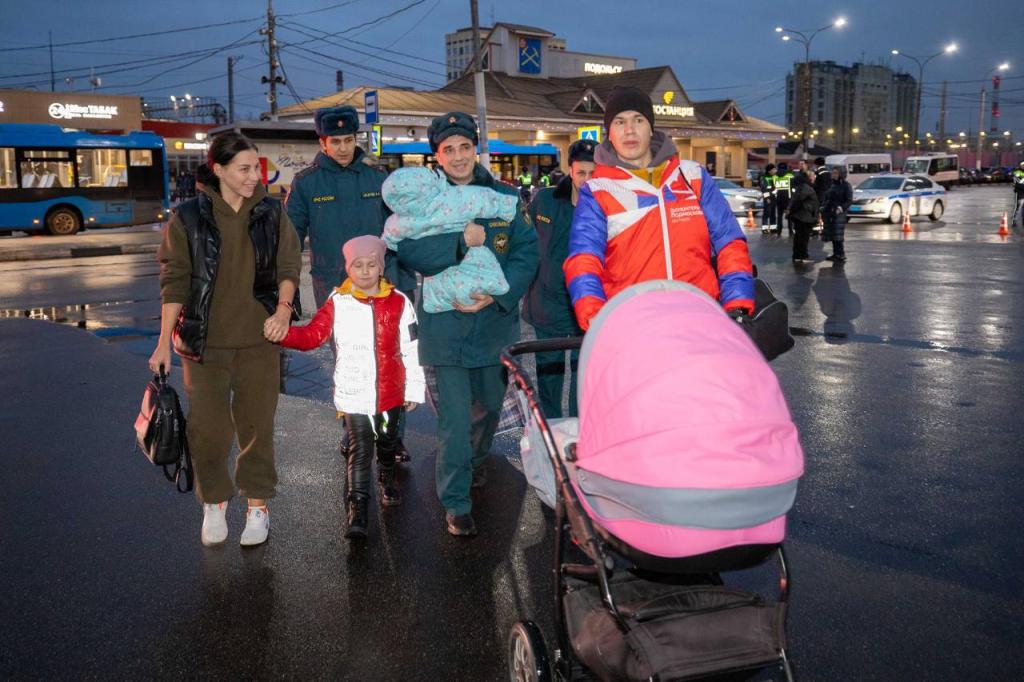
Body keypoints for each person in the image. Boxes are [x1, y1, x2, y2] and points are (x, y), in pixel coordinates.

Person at [150, 132, 302, 547]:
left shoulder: (272, 212)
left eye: (258, 167)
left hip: (259, 343)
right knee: (208, 432)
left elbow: (289, 265)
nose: (256, 176)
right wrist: (164, 341)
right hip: (204, 346)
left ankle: (257, 507)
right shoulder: (188, 218)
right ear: (218, 170)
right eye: (245, 169)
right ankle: (214, 502)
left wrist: (283, 310)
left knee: (257, 428)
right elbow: (175, 281)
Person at [396, 111, 538, 537]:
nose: (457, 157)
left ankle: (476, 461)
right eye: (447, 150)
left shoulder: (504, 197)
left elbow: (526, 253)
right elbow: (409, 252)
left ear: (476, 148)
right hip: (445, 330)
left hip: (494, 325)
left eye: (464, 147)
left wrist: (498, 296)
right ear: (436, 156)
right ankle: (456, 502)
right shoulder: (425, 200)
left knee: (489, 408)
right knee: (455, 421)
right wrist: (460, 243)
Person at [565, 86, 755, 331]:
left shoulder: (692, 176)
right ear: (609, 133)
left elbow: (729, 242)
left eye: (638, 120)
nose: (630, 130)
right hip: (635, 329)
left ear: (651, 127)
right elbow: (584, 260)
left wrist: (737, 304)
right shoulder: (598, 191)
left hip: (700, 323)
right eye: (619, 122)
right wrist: (596, 319)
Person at [286, 104, 414, 462]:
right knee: (351, 365)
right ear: (322, 142)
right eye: (335, 141)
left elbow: (400, 233)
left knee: (393, 360)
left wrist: (405, 282)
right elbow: (289, 241)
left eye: (348, 139)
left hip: (383, 286)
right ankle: (354, 433)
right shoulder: (307, 183)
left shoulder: (377, 179)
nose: (343, 147)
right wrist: (285, 286)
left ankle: (392, 437)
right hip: (336, 290)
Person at [277, 236, 424, 540]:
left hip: (390, 393)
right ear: (349, 268)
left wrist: (413, 388)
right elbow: (312, 336)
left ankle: (385, 472)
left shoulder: (399, 302)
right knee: (359, 450)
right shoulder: (338, 302)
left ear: (381, 267)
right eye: (359, 265)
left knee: (387, 440)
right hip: (354, 395)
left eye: (372, 264)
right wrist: (283, 334)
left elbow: (412, 347)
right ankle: (357, 507)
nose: (366, 270)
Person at [522, 139, 596, 418]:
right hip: (546, 304)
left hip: (586, 307)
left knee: (583, 377)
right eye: (581, 173)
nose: (587, 181)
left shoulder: (606, 208)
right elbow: (525, 243)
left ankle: (581, 434)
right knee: (549, 375)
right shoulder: (544, 200)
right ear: (570, 170)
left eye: (593, 173)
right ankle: (551, 431)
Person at [786, 171, 819, 263]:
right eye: (811, 176)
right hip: (805, 216)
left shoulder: (801, 187)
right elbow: (798, 200)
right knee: (803, 237)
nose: (813, 178)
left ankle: (797, 255)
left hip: (801, 216)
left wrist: (790, 210)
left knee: (799, 237)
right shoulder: (806, 188)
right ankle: (803, 256)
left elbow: (795, 199)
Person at [822, 165, 852, 262]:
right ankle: (836, 253)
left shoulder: (846, 185)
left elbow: (849, 200)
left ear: (841, 174)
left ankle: (840, 254)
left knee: (838, 234)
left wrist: (841, 208)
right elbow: (827, 197)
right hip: (830, 211)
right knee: (833, 234)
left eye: (836, 173)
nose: (833, 174)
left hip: (839, 213)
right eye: (833, 172)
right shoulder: (832, 185)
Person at [812, 156, 832, 235]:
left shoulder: (818, 173)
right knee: (825, 213)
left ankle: (816, 229)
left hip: (819, 195)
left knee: (816, 212)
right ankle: (825, 229)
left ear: (817, 164)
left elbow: (815, 185)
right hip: (827, 195)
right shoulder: (828, 172)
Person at [760, 163, 778, 234]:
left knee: (773, 213)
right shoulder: (764, 178)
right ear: (769, 171)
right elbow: (764, 189)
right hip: (768, 198)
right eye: (773, 169)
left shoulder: (775, 177)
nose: (775, 170)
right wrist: (767, 197)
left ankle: (773, 228)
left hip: (774, 197)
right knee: (767, 213)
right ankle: (764, 228)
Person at [1012, 161, 1024, 228]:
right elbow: (1017, 183)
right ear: (1020, 166)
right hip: (1020, 193)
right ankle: (1014, 221)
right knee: (1019, 208)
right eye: (1023, 165)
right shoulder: (1017, 172)